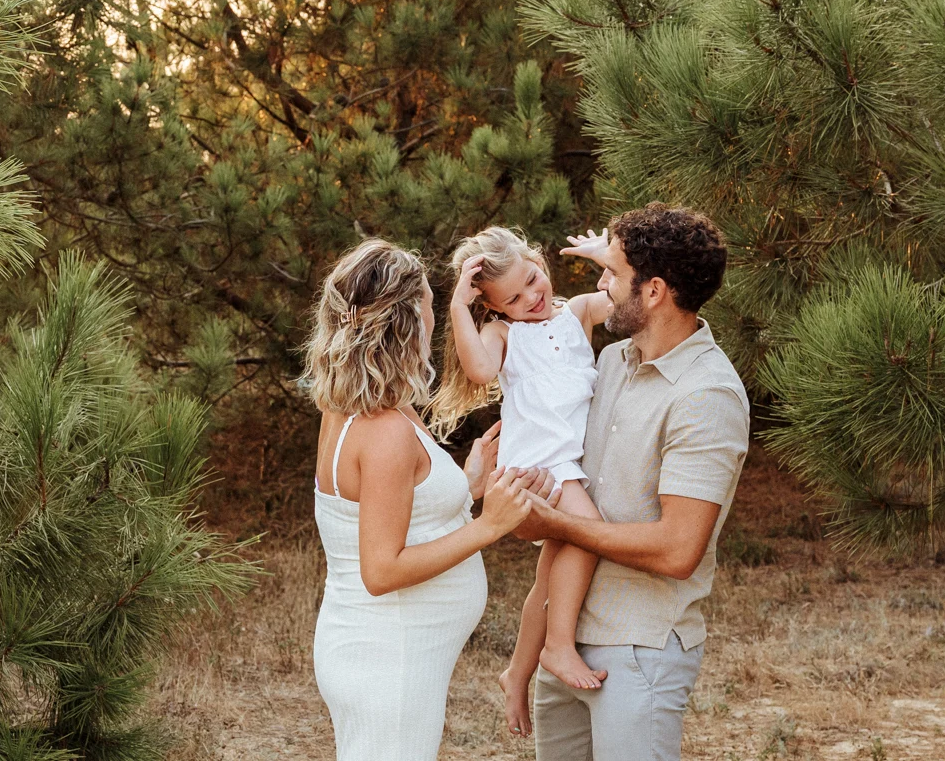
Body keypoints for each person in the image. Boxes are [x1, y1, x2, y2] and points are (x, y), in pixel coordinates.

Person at [517, 204, 750, 761]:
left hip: (640, 648)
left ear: (653, 292)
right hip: (567, 637)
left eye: (612, 274)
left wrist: (556, 522)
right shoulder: (615, 359)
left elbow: (677, 550)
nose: (601, 283)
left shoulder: (706, 395)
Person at [308, 237, 556, 761]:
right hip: (389, 661)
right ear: (405, 323)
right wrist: (488, 526)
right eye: (427, 308)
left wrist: (466, 487)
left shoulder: (358, 405)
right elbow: (382, 569)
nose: (434, 323)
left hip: (373, 649)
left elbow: (388, 510)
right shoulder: (384, 431)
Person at [433, 225, 615, 739]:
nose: (531, 298)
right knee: (589, 532)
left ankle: (517, 670)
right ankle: (558, 644)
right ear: (493, 309)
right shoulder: (503, 336)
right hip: (535, 465)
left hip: (566, 461)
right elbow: (478, 368)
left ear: (539, 261)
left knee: (551, 569)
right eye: (512, 298)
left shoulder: (577, 312)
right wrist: (456, 309)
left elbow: (629, 296)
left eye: (533, 280)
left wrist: (609, 257)